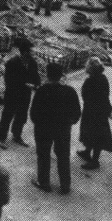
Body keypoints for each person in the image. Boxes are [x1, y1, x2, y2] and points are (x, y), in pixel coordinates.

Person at [30, 62, 81, 195]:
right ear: (61, 75)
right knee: (63, 156)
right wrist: (69, 123)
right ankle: (65, 186)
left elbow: (33, 113)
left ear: (47, 75)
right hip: (63, 130)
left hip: (43, 129)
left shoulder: (42, 91)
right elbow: (77, 113)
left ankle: (44, 183)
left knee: (43, 155)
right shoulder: (70, 91)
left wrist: (38, 124)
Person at [0, 38, 40, 149]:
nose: (33, 53)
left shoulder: (33, 63)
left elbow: (36, 78)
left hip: (25, 95)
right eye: (31, 51)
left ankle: (17, 135)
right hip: (12, 94)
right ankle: (1, 138)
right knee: (7, 116)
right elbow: (9, 81)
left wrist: (35, 85)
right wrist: (25, 85)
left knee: (21, 116)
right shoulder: (12, 63)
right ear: (25, 52)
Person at [77, 57, 112, 170]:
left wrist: (108, 111)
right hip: (97, 112)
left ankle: (95, 161)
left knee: (95, 135)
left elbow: (99, 97)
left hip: (93, 112)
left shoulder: (91, 80)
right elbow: (105, 96)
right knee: (92, 134)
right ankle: (87, 152)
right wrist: (108, 110)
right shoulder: (103, 78)